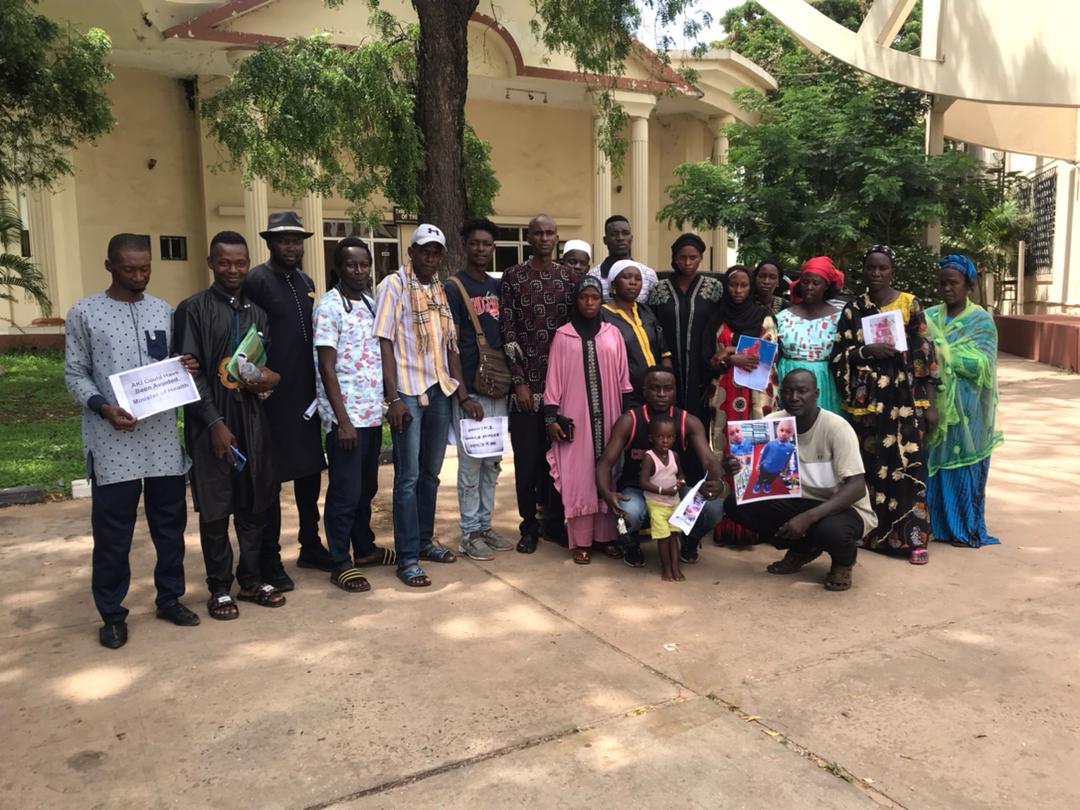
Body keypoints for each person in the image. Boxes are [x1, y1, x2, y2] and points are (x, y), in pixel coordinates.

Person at [64, 233, 200, 649]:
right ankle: (112, 613)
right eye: (130, 269)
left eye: (145, 269)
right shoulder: (84, 313)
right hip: (112, 442)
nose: (139, 276)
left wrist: (186, 366)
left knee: (170, 526)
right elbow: (74, 373)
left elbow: (171, 365)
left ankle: (170, 597)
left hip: (160, 441)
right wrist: (103, 408)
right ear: (109, 266)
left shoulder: (164, 311)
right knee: (113, 534)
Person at [174, 231, 286, 617]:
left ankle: (251, 580)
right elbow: (190, 374)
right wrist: (215, 423)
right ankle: (219, 587)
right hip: (212, 423)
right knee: (217, 508)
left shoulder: (257, 314)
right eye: (224, 262)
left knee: (255, 503)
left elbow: (260, 368)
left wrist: (269, 382)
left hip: (253, 420)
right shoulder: (193, 309)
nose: (233, 269)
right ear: (211, 263)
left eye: (240, 262)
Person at [376, 224, 483, 587]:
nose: (430, 257)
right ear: (411, 252)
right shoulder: (393, 286)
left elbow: (449, 344)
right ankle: (406, 557)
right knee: (407, 477)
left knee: (430, 474)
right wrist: (392, 398)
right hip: (407, 390)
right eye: (425, 251)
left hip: (438, 388)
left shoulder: (438, 289)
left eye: (436, 252)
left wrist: (462, 393)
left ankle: (424, 542)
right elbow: (384, 344)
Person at [830, 245, 939, 564]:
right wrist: (866, 352)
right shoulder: (854, 309)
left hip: (904, 402)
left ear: (892, 271)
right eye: (871, 268)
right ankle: (873, 533)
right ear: (863, 271)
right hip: (867, 406)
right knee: (869, 469)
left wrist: (928, 404)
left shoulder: (909, 304)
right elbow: (838, 354)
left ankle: (915, 539)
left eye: (883, 269)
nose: (876, 274)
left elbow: (924, 356)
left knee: (908, 465)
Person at [724, 370, 877, 591]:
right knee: (735, 504)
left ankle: (843, 562)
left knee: (831, 531)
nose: (794, 397)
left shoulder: (836, 428)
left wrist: (807, 518)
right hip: (798, 501)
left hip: (842, 507)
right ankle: (803, 548)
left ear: (816, 393)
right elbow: (755, 472)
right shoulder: (772, 424)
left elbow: (855, 488)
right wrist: (735, 468)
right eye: (787, 391)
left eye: (802, 391)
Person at [243, 211, 331, 589]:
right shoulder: (256, 281)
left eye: (297, 240)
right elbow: (246, 337)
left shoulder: (306, 281)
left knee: (310, 473)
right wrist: (254, 379)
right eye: (284, 240)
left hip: (306, 394)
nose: (291, 247)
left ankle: (310, 544)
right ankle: (270, 556)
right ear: (269, 243)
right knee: (273, 478)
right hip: (271, 394)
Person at [595, 366, 732, 567]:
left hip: (674, 491)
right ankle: (630, 545)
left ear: (675, 391)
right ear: (644, 390)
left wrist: (716, 481)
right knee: (629, 513)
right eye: (655, 388)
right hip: (637, 489)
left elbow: (709, 460)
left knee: (713, 508)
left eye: (667, 388)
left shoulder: (688, 422)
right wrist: (607, 494)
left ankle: (690, 541)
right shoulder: (630, 420)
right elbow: (604, 463)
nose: (661, 394)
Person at [500, 214, 581, 553]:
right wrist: (518, 381)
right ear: (529, 238)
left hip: (563, 388)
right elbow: (508, 331)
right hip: (527, 389)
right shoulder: (513, 277)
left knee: (560, 460)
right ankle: (528, 527)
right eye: (538, 233)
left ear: (557, 237)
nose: (544, 238)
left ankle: (554, 523)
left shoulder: (572, 278)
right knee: (528, 460)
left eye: (550, 233)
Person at [314, 237, 390, 593]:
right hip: (346, 419)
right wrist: (341, 420)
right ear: (338, 268)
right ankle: (339, 561)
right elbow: (326, 367)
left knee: (367, 488)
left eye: (364, 265)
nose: (359, 271)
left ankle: (364, 549)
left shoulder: (371, 304)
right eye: (351, 265)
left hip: (372, 414)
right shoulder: (330, 307)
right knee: (345, 491)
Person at [544, 276, 633, 564]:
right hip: (575, 417)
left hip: (609, 416)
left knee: (609, 471)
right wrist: (552, 415)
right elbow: (553, 379)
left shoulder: (612, 334)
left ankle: (606, 537)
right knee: (579, 475)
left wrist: (627, 416)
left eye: (595, 297)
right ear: (576, 300)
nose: (590, 302)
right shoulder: (563, 335)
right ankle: (581, 541)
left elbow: (623, 379)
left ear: (602, 299)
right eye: (584, 297)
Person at [444, 218, 513, 560]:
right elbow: (451, 345)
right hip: (471, 389)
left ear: (493, 248)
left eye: (486, 244)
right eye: (475, 243)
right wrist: (462, 394)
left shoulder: (497, 286)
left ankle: (485, 525)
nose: (481, 249)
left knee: (492, 463)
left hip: (497, 387)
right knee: (470, 464)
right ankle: (469, 532)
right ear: (466, 246)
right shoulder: (454, 287)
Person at [924, 254, 1004, 548]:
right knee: (933, 461)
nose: (947, 288)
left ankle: (962, 526)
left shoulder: (981, 321)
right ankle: (932, 524)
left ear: (968, 285)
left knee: (960, 462)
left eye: (953, 283)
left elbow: (983, 364)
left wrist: (942, 354)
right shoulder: (929, 316)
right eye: (942, 283)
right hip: (934, 402)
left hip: (968, 406)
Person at [702, 265, 778, 545]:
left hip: (756, 399)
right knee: (724, 451)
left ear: (751, 287)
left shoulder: (763, 316)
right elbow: (707, 358)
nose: (737, 290)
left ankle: (756, 525)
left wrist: (731, 351)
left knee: (756, 455)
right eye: (733, 285)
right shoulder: (717, 316)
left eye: (744, 285)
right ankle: (724, 525)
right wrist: (726, 360)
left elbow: (769, 353)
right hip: (723, 397)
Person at [648, 233, 723, 443]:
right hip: (668, 365)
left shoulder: (714, 288)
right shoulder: (659, 288)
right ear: (675, 258)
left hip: (702, 368)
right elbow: (652, 326)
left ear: (701, 258)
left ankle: (700, 471)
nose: (688, 262)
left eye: (693, 257)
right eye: (682, 257)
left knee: (700, 418)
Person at [776, 256, 843, 415]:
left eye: (816, 283)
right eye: (805, 282)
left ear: (826, 285)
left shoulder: (839, 318)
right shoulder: (783, 317)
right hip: (788, 379)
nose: (810, 287)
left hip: (823, 381)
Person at [601, 259, 671, 407]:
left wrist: (667, 382)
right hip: (625, 395)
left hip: (656, 394)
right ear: (613, 283)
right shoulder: (602, 316)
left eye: (638, 279)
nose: (633, 282)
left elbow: (664, 352)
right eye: (626, 277)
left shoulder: (646, 311)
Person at [638, 416, 686, 581]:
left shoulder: (674, 455)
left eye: (670, 437)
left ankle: (675, 567)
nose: (665, 441)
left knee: (674, 536)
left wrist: (681, 482)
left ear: (674, 437)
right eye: (660, 437)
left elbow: (680, 473)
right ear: (651, 438)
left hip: (674, 502)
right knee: (663, 537)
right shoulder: (649, 458)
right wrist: (663, 490)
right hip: (657, 504)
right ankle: (666, 568)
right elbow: (643, 482)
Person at [591, 215, 658, 303]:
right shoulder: (593, 276)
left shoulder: (649, 275)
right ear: (605, 240)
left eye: (625, 233)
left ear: (631, 238)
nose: (620, 238)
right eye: (614, 234)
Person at [753, 419, 796, 494]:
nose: (784, 434)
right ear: (777, 430)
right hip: (765, 467)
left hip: (777, 470)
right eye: (781, 430)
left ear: (792, 433)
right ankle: (759, 483)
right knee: (761, 477)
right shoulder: (770, 444)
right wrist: (758, 464)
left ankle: (767, 484)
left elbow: (788, 458)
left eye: (788, 432)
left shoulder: (790, 447)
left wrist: (785, 469)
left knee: (771, 479)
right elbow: (762, 454)